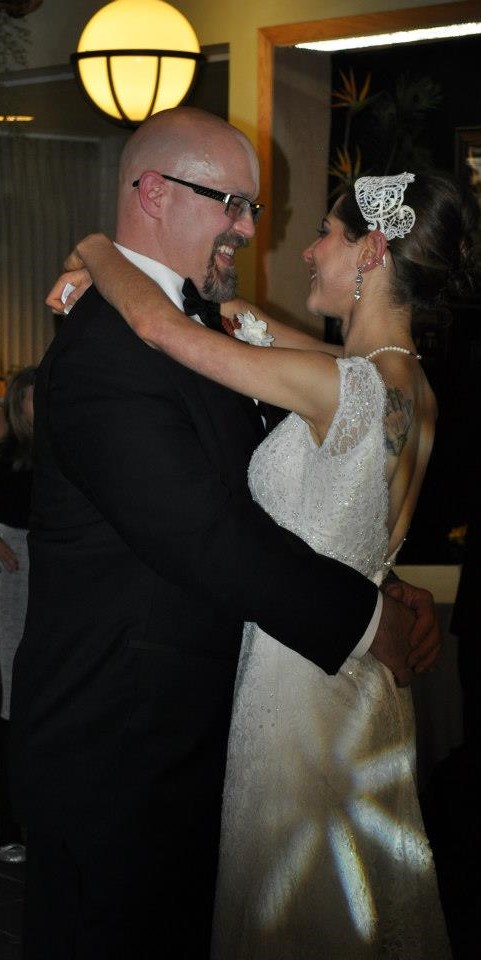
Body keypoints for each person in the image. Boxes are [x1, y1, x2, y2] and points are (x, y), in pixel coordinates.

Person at [10, 108, 440, 960]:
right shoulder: (104, 348)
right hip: (119, 751)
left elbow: (272, 506)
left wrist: (377, 582)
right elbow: (207, 536)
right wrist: (369, 615)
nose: (251, 229)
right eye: (232, 204)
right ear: (154, 194)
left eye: (254, 207)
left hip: (217, 730)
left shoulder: (204, 332)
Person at [0, 366, 36, 864]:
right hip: (13, 568)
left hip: (57, 570)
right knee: (9, 695)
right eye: (31, 396)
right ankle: (7, 824)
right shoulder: (6, 455)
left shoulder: (68, 448)